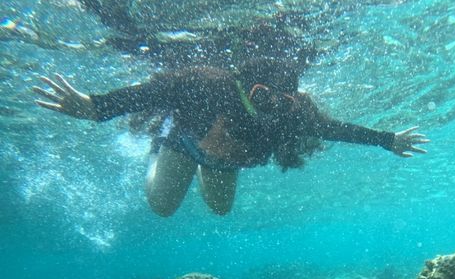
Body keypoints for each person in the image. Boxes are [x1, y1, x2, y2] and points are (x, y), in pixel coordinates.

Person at [33, 58, 428, 217]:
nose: (268, 106)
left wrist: (386, 139)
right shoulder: (207, 85)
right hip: (184, 146)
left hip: (225, 162)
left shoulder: (293, 113)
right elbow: (151, 92)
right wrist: (95, 106)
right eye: (261, 95)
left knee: (220, 209)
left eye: (279, 99)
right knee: (163, 206)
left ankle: (204, 169)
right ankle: (156, 152)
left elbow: (335, 129)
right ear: (244, 83)